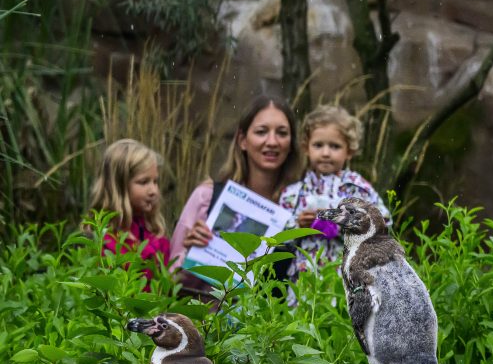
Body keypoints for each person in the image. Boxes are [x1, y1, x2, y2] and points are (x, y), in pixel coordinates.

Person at [169, 95, 305, 282]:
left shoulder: (300, 207)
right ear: (242, 140)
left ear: (291, 144)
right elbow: (169, 282)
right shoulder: (207, 197)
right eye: (261, 132)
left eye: (282, 133)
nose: (272, 141)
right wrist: (190, 253)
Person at [278, 104, 391, 273]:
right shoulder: (293, 193)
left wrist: (344, 223)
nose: (325, 153)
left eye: (335, 146)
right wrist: (298, 225)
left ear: (349, 151)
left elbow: (384, 223)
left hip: (344, 278)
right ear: (306, 148)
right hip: (303, 279)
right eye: (318, 145)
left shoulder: (358, 188)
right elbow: (277, 239)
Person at [87, 138, 171, 289]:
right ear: (118, 186)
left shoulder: (151, 231)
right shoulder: (103, 239)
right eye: (144, 182)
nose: (154, 190)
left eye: (155, 181)